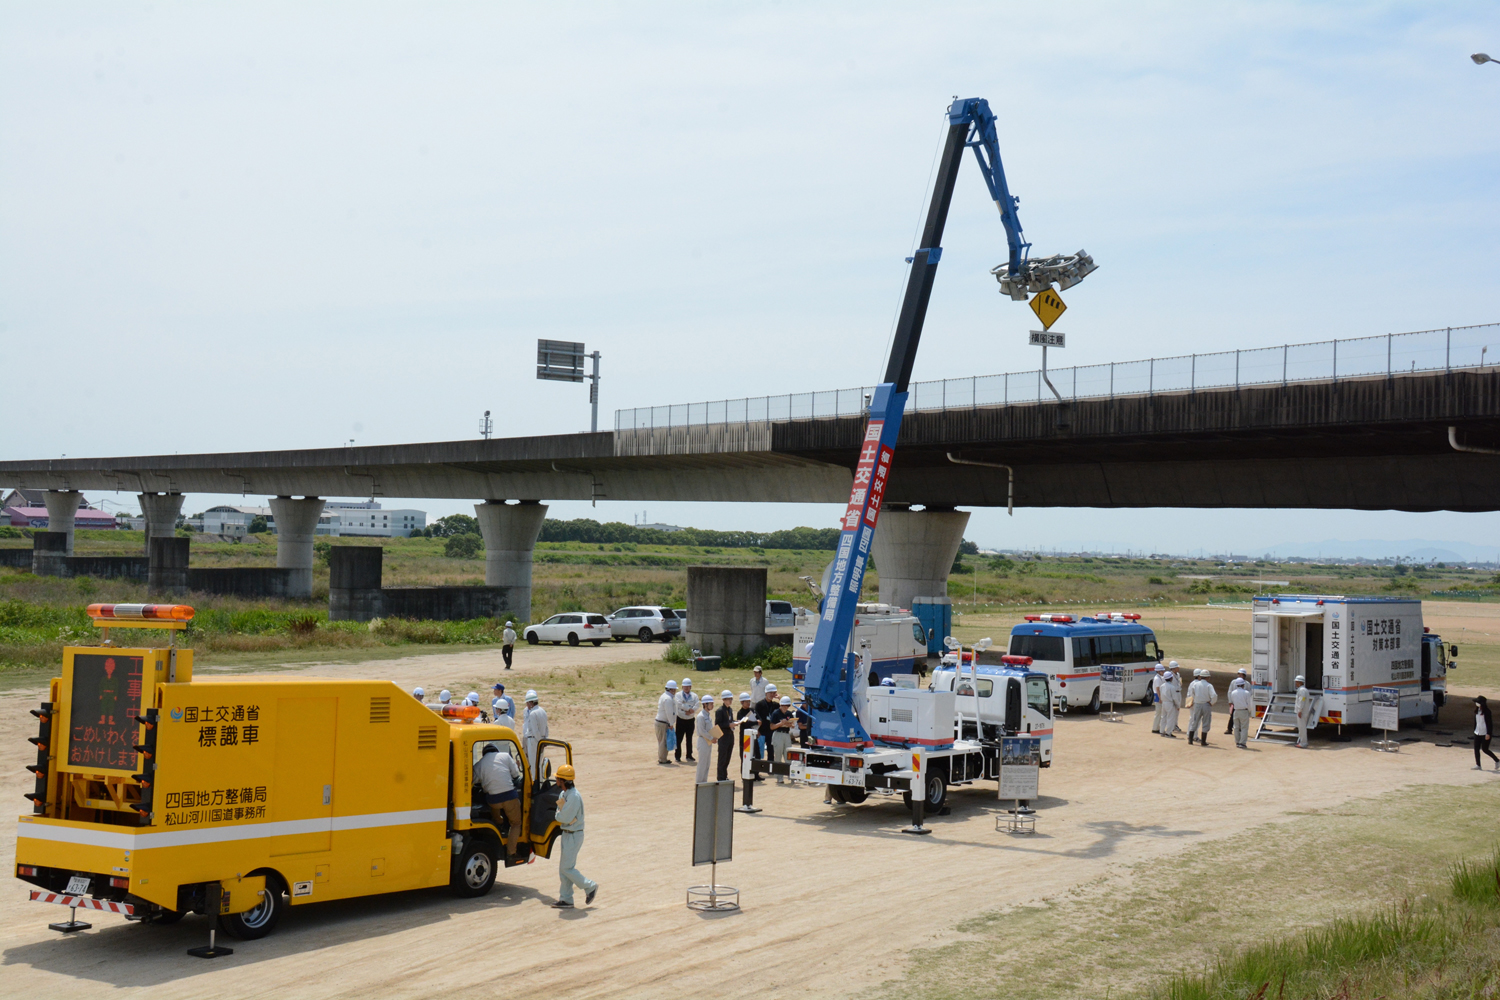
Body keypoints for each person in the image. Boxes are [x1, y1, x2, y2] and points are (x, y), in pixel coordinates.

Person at [550, 764, 597, 909]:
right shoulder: (564, 794)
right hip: (567, 834)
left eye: (558, 778)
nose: (556, 780)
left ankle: (590, 887)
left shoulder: (574, 797)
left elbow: (562, 816)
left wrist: (558, 815)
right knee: (564, 868)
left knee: (566, 868)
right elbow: (561, 814)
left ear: (563, 780)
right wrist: (559, 815)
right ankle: (566, 899)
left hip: (574, 835)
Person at [475, 743, 523, 862]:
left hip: (493, 801)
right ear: (496, 750)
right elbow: (516, 775)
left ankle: (499, 824)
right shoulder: (505, 756)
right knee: (516, 823)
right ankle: (511, 852)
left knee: (493, 808)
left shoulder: (480, 764)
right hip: (509, 797)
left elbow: (472, 780)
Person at [1186, 669, 1217, 746]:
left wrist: (1196, 699)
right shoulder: (1209, 685)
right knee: (1206, 722)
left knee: (1195, 721)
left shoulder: (1195, 685)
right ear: (1208, 677)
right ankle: (1203, 741)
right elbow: (1214, 696)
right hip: (1206, 704)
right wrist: (1211, 703)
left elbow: (1192, 694)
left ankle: (1190, 740)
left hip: (1197, 704)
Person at [769, 695, 795, 784]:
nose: (786, 708)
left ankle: (790, 775)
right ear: (781, 705)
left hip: (786, 734)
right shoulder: (776, 713)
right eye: (784, 706)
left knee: (788, 755)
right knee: (778, 756)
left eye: (787, 706)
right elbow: (772, 727)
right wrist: (781, 723)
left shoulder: (789, 714)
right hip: (778, 734)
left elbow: (792, 724)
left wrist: (788, 724)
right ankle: (779, 777)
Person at [755, 683, 779, 773]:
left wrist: (779, 698)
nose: (772, 695)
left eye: (774, 693)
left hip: (771, 731)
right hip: (761, 731)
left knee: (771, 750)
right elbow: (756, 718)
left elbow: (784, 711)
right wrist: (757, 730)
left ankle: (770, 769)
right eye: (770, 693)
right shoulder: (759, 705)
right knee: (759, 751)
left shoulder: (776, 705)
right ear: (766, 693)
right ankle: (758, 769)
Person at [523, 690, 548, 774]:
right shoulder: (543, 711)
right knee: (539, 763)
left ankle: (535, 783)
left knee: (533, 765)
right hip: (542, 739)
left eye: (527, 703)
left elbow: (535, 731)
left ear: (531, 703)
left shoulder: (533, 713)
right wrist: (544, 740)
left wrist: (540, 741)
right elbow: (546, 728)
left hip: (534, 741)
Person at [675, 678, 698, 763]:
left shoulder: (694, 696)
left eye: (688, 686)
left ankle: (689, 755)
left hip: (690, 720)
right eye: (684, 686)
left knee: (689, 738)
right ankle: (677, 756)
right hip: (681, 719)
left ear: (690, 687)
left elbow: (696, 705)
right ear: (682, 687)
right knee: (679, 738)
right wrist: (689, 709)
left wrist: (691, 711)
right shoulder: (678, 695)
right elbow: (679, 704)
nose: (686, 688)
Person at [655, 680, 678, 765]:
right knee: (663, 742)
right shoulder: (668, 699)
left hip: (661, 722)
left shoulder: (665, 696)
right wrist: (671, 723)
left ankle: (663, 758)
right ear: (671, 690)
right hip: (663, 722)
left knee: (663, 741)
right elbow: (669, 712)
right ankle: (662, 759)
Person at [715, 690, 736, 782]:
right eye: (728, 699)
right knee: (722, 758)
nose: (730, 701)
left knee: (728, 757)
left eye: (731, 699)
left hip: (730, 736)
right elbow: (718, 724)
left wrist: (735, 723)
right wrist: (728, 725)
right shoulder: (720, 711)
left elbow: (730, 720)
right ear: (724, 699)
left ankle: (725, 775)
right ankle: (720, 777)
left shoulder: (730, 710)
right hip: (723, 737)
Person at [1228, 674, 1253, 748]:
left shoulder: (1233, 693)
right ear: (1243, 685)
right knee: (1244, 727)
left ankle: (1237, 742)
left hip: (1236, 711)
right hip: (1244, 711)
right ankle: (1242, 742)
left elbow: (1232, 701)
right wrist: (1249, 711)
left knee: (1236, 727)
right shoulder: (1246, 693)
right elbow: (1249, 704)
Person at [1474, 696, 1498, 771]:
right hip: (1477, 732)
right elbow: (1476, 722)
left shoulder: (1487, 712)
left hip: (1485, 733)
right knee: (1476, 749)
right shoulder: (1477, 710)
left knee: (1485, 749)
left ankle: (1497, 760)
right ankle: (1478, 765)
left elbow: (1489, 723)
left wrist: (1488, 733)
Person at [695, 694, 715, 782]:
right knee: (702, 764)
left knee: (707, 764)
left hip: (708, 741)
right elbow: (702, 731)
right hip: (703, 741)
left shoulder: (708, 716)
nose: (712, 705)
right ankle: (699, 782)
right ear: (705, 704)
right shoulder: (701, 716)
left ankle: (704, 781)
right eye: (710, 704)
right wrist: (711, 737)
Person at [736, 692, 757, 775]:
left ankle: (755, 774)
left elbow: (758, 719)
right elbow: (745, 723)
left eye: (749, 701)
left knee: (754, 755)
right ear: (742, 702)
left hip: (753, 735)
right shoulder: (740, 713)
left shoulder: (752, 710)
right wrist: (755, 722)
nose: (748, 703)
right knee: (744, 756)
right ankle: (744, 774)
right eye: (746, 701)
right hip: (744, 738)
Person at [1158, 669, 1181, 738]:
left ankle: (1162, 731)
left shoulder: (1162, 686)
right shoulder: (1172, 687)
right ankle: (1168, 733)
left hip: (1164, 703)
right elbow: (1174, 698)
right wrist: (1177, 705)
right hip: (1170, 703)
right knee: (1171, 718)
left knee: (1163, 717)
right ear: (1171, 678)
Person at [1225, 668, 1248, 735]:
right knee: (1232, 716)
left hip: (1243, 703)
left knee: (1241, 717)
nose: (1240, 676)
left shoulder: (1247, 684)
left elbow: (1249, 693)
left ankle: (1240, 729)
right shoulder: (1233, 682)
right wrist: (1230, 701)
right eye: (1239, 674)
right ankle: (1229, 729)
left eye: (1241, 675)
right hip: (1235, 702)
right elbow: (1230, 691)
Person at [1292, 675, 1312, 748]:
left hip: (1302, 712)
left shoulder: (1302, 690)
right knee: (1301, 727)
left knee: (1302, 728)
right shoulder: (1303, 690)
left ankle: (1303, 743)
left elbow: (1301, 701)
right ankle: (1303, 742)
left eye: (1296, 682)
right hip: (1303, 711)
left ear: (1300, 682)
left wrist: (1300, 710)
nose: (1296, 683)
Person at [1150, 664, 1165, 733]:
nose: (1163, 672)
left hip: (1158, 696)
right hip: (1158, 696)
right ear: (1158, 671)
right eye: (1162, 670)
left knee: (1159, 713)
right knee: (1158, 713)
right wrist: (1160, 698)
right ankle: (1155, 728)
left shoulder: (1159, 677)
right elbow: (1157, 689)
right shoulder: (1157, 678)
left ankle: (1156, 727)